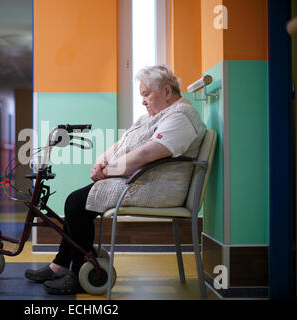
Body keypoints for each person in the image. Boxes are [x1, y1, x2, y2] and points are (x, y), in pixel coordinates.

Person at [25, 64, 207, 295]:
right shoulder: (156, 116)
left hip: (153, 186)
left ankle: (78, 273)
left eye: (146, 94)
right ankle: (60, 265)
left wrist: (108, 171)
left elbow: (147, 154)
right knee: (76, 203)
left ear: (167, 91)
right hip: (138, 179)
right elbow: (121, 144)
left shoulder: (181, 117)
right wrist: (101, 161)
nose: (143, 101)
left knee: (76, 204)